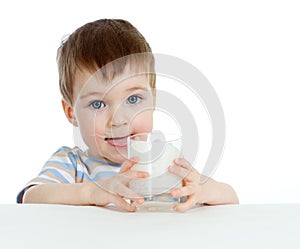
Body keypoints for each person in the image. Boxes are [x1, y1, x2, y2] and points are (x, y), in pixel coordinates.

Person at [17, 19, 239, 212]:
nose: (119, 120)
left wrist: (203, 190)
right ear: (71, 113)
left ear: (153, 101)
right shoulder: (73, 165)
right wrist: (92, 193)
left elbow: (231, 200)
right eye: (97, 104)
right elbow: (31, 197)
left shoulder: (166, 163)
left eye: (133, 100)